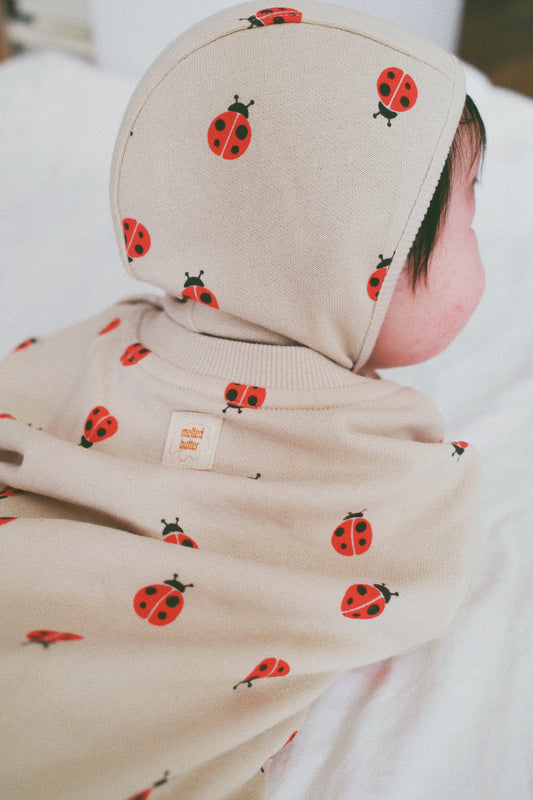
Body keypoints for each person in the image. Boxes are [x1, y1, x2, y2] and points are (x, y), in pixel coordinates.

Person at [0, 2, 485, 798]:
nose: (479, 239)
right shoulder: (383, 452)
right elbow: (418, 579)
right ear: (360, 261)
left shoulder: (101, 340)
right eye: (467, 211)